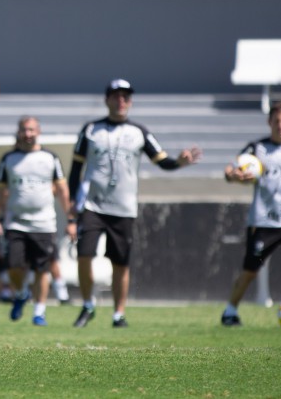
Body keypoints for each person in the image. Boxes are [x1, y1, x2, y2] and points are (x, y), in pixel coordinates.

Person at [68, 79, 201, 328]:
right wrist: (72, 205)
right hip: (92, 206)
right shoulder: (90, 130)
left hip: (124, 208)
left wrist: (180, 162)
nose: (121, 101)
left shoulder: (139, 131)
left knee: (120, 262)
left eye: (126, 97)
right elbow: (75, 170)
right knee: (84, 255)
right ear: (107, 99)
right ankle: (88, 305)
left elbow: (162, 161)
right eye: (116, 96)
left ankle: (118, 314)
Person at [220, 101, 281, 326]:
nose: (280, 125)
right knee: (250, 270)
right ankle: (229, 312)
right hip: (263, 221)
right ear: (269, 122)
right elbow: (230, 171)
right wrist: (236, 175)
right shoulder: (256, 149)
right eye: (276, 121)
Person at [0, 116, 73, 327]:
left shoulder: (50, 158)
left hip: (44, 224)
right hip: (16, 223)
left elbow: (62, 190)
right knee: (14, 267)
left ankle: (39, 312)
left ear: (39, 131)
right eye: (24, 130)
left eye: (31, 130)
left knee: (42, 269)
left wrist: (71, 219)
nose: (28, 134)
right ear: (19, 132)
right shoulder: (9, 159)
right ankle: (21, 293)